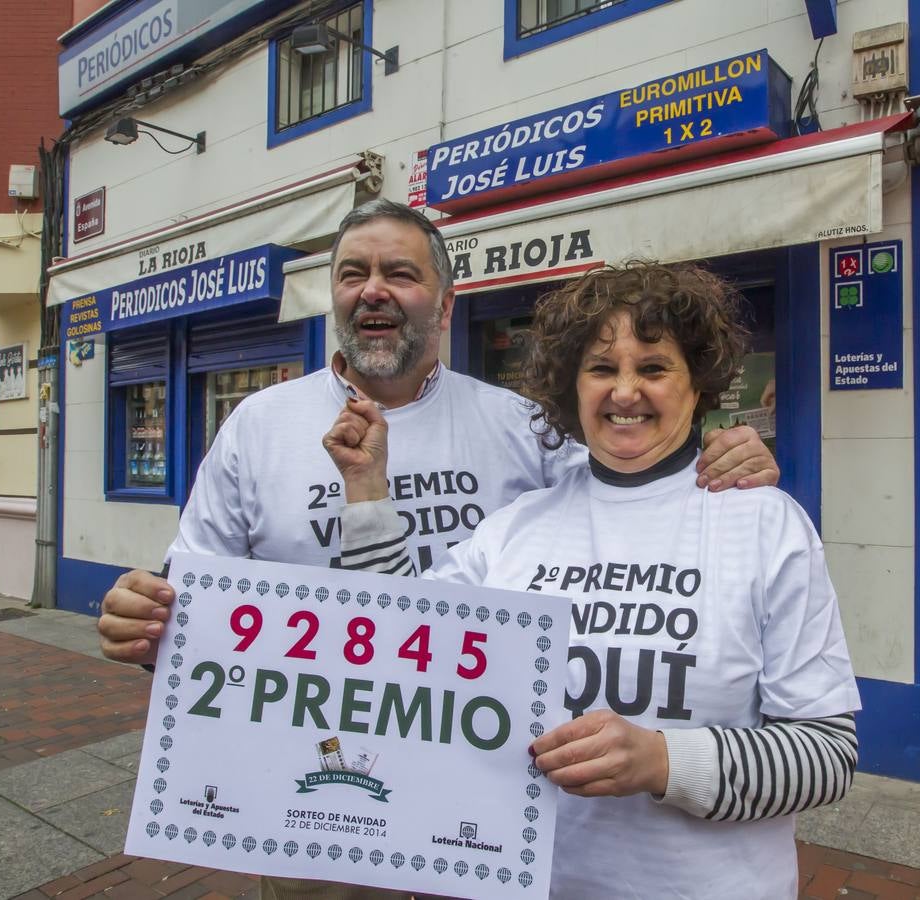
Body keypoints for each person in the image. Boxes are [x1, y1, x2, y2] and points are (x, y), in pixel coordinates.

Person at [96, 201, 780, 899]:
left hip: (481, 805)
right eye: (352, 274)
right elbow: (193, 600)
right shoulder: (258, 425)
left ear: (447, 305)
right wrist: (146, 623)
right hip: (322, 804)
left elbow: (629, 485)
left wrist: (713, 458)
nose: (373, 290)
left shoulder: (519, 424)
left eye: (400, 273)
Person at [328, 261, 861, 898]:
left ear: (698, 385)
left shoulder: (765, 523)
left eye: (654, 369)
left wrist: (663, 761)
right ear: (571, 386)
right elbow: (391, 641)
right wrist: (366, 488)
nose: (625, 392)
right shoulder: (515, 529)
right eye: (602, 369)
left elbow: (826, 755)